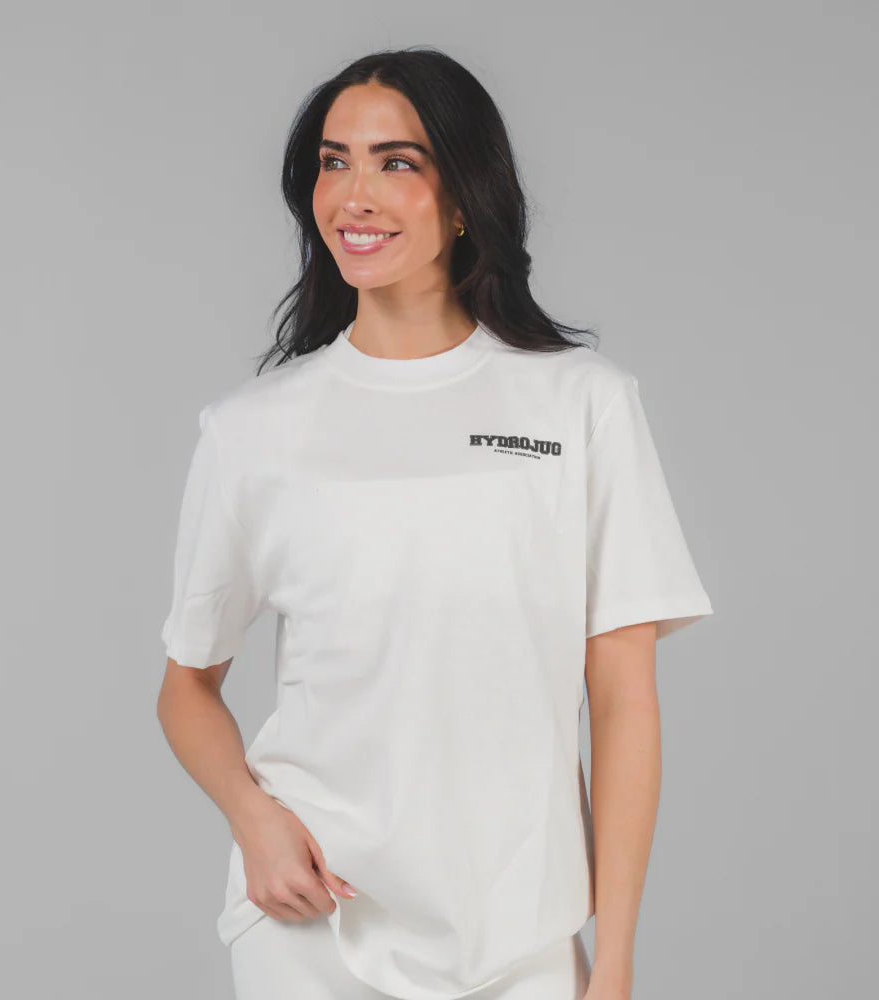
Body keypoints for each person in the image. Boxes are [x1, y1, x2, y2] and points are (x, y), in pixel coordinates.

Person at [156, 47, 713, 1000]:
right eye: (334, 162)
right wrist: (255, 820)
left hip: (518, 931)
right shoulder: (253, 431)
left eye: (397, 162)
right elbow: (186, 687)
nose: (354, 195)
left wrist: (614, 957)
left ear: (464, 198)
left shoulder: (581, 404)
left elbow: (623, 698)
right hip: (311, 918)